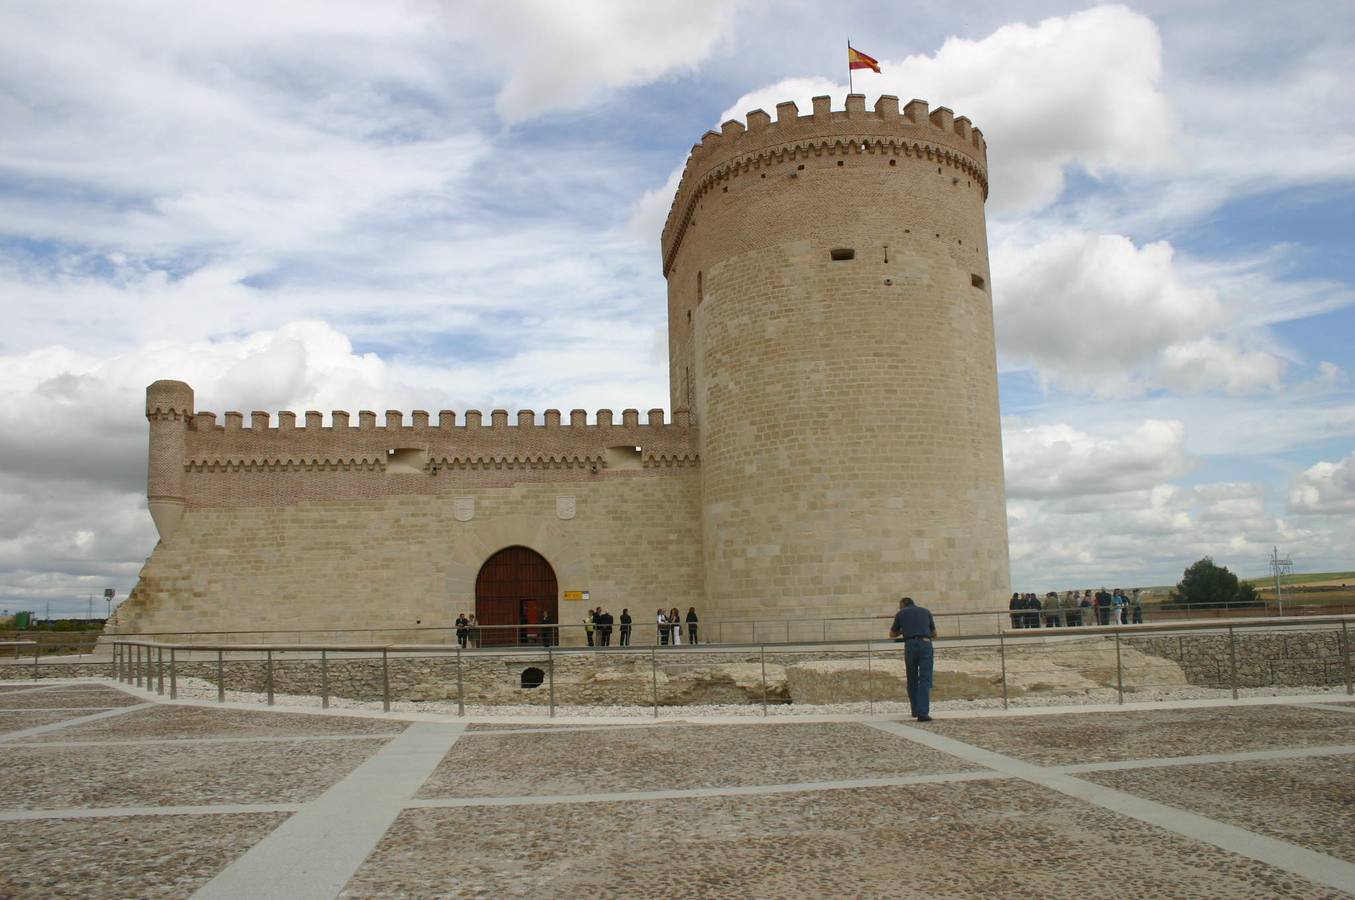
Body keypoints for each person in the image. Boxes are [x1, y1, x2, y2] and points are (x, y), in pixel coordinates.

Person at [888, 596, 937, 722]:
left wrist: (904, 630)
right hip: (925, 644)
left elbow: (892, 634)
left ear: (903, 604)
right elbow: (934, 634)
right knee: (925, 679)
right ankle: (923, 713)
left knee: (912, 677)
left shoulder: (901, 613)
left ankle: (915, 710)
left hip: (910, 645)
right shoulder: (926, 612)